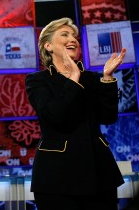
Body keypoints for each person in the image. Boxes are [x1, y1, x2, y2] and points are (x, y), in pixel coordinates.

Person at [25, 17, 127, 210]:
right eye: (65, 35)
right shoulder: (37, 80)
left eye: (75, 37)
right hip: (56, 175)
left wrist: (107, 79)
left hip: (99, 172)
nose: (73, 39)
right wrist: (73, 79)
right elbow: (54, 115)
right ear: (48, 45)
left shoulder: (92, 78)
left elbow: (108, 117)